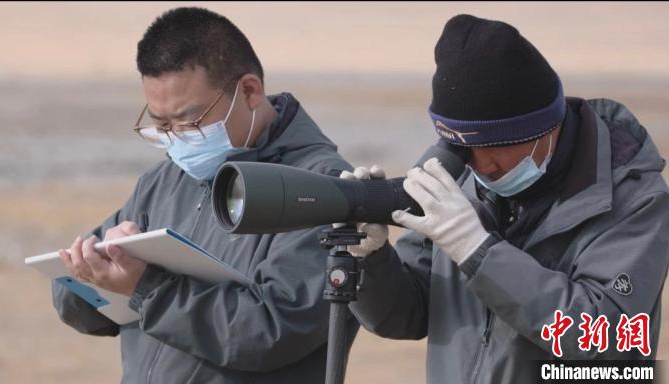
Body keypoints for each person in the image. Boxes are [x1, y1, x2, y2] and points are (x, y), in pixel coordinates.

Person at [345, 14, 669, 383]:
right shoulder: (459, 173)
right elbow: (407, 314)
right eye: (465, 148)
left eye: (496, 146)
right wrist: (371, 260)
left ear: (547, 127)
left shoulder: (632, 195)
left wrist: (479, 252)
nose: (483, 165)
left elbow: (608, 339)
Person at [51, 7, 357, 383]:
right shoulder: (164, 179)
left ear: (249, 91)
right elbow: (80, 303)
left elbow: (274, 330)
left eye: (189, 121)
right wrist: (86, 278)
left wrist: (146, 289)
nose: (175, 139)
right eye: (160, 124)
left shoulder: (322, 187)